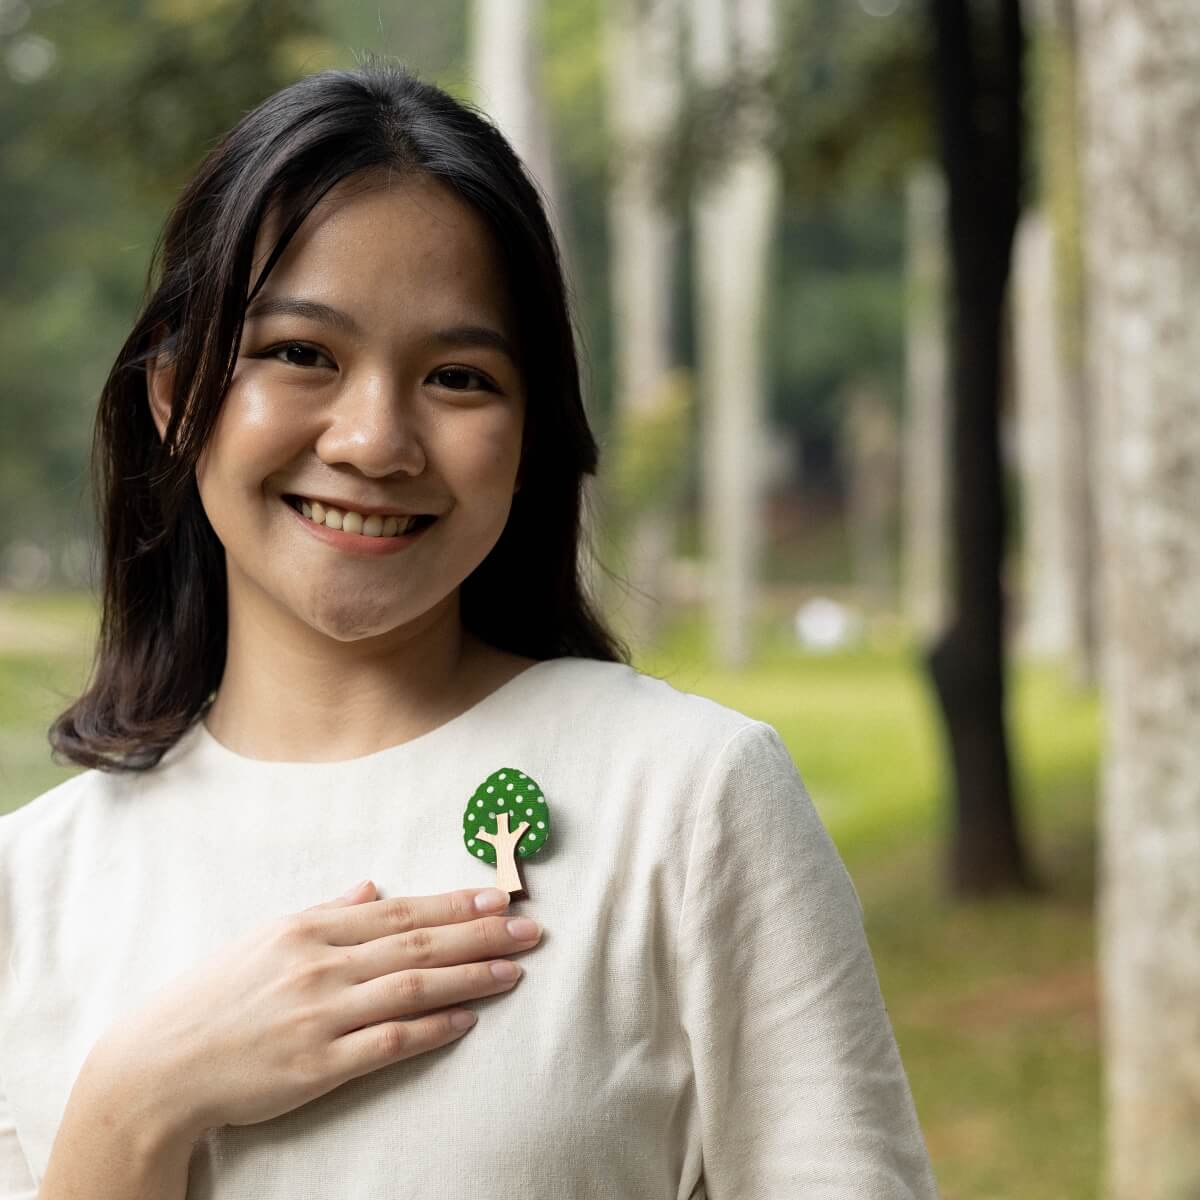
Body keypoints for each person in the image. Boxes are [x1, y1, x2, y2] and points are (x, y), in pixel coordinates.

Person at [0, 60, 939, 1199]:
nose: (374, 440)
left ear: (532, 432)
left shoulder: (688, 799)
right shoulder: (32, 888)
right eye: (302, 354)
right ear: (172, 396)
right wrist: (133, 1107)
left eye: (457, 375)